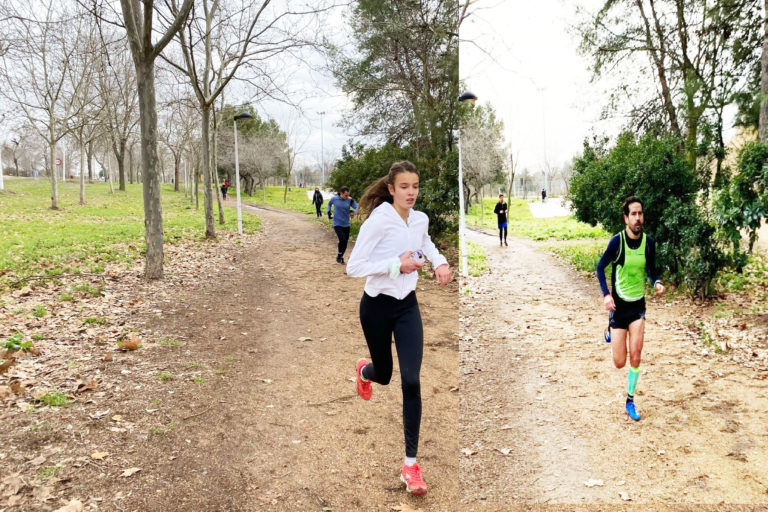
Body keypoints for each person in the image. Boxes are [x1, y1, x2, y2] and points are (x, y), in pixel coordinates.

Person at [347, 160, 451, 496]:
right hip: (376, 308)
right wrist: (397, 264)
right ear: (391, 189)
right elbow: (354, 267)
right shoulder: (379, 221)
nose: (411, 192)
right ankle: (366, 372)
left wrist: (439, 262)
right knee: (385, 374)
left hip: (407, 306)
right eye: (404, 186)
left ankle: (410, 465)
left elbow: (427, 243)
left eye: (416, 186)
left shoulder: (420, 219)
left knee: (411, 380)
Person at [596, 196, 664, 421]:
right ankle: (609, 332)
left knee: (636, 356)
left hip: (637, 308)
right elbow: (600, 267)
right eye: (633, 214)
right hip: (619, 308)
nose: (638, 218)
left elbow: (651, 271)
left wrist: (656, 282)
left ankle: (630, 400)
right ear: (626, 218)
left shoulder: (649, 243)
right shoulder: (617, 242)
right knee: (619, 362)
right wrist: (606, 295)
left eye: (640, 213)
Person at [327, 186, 358, 264]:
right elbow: (329, 204)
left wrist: (353, 211)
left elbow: (357, 207)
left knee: (345, 242)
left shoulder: (350, 200)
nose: (347, 197)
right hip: (337, 223)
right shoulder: (334, 199)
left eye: (348, 195)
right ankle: (340, 256)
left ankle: (340, 256)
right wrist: (328, 211)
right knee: (342, 240)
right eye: (345, 195)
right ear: (341, 193)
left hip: (346, 224)